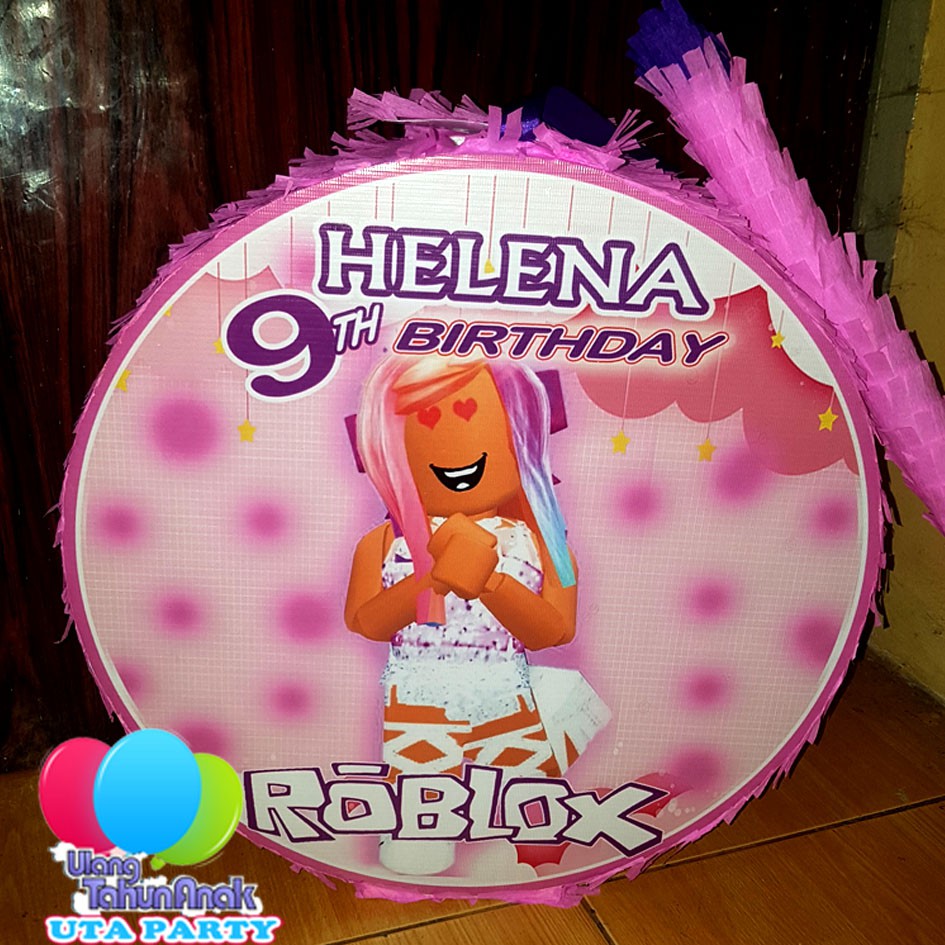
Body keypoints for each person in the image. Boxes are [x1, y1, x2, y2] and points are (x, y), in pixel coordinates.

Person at [345, 355, 608, 874]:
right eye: (427, 424)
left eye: (472, 415)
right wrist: (431, 580)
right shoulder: (381, 543)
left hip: (505, 694)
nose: (452, 443)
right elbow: (364, 621)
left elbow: (555, 630)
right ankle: (429, 833)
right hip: (417, 701)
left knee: (523, 822)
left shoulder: (543, 543)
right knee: (417, 837)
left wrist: (491, 582)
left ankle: (509, 835)